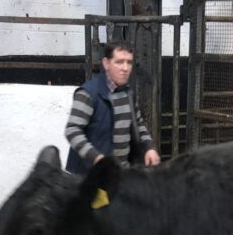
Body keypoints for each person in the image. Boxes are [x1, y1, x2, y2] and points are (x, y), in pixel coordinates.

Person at [65, 41, 161, 174]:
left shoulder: (128, 93)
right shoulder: (88, 93)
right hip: (90, 176)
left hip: (120, 173)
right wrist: (97, 158)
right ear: (106, 63)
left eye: (129, 62)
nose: (125, 68)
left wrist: (149, 148)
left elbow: (138, 125)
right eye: (119, 62)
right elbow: (72, 130)